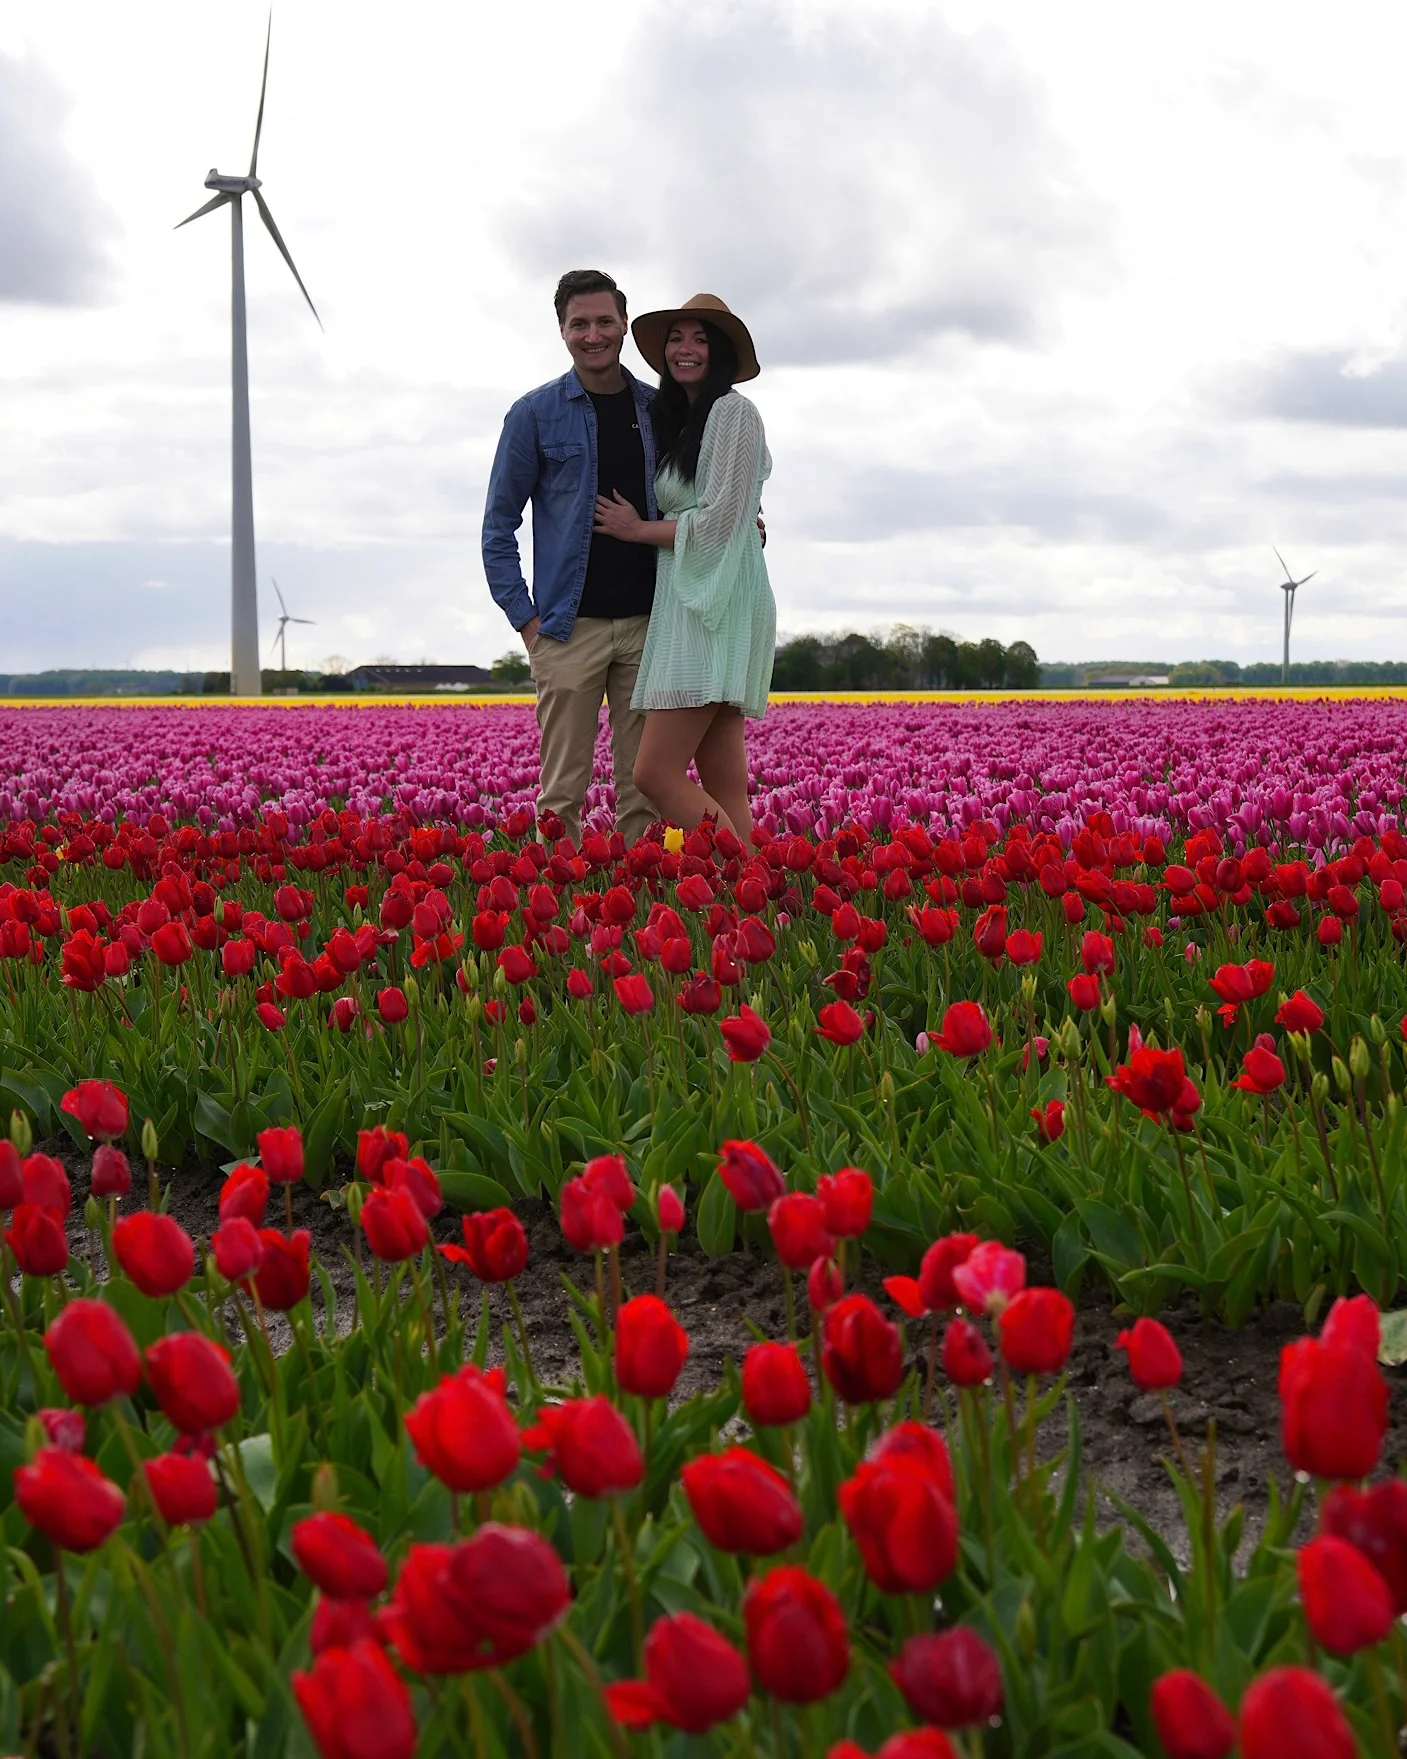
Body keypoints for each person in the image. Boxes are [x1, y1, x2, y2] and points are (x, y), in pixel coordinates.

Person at [481, 269, 659, 847]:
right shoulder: (533, 415)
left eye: (605, 321)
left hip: (651, 624)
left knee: (646, 789)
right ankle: (562, 919)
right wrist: (528, 623)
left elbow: (700, 495)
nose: (593, 334)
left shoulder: (659, 410)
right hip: (566, 628)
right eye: (579, 323)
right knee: (562, 794)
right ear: (561, 330)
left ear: (624, 326)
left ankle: (646, 922)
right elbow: (497, 528)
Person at [591, 294, 774, 845]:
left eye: (699, 339)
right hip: (692, 596)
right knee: (724, 788)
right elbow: (728, 510)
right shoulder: (689, 419)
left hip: (711, 604)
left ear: (719, 353)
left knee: (654, 774)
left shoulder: (734, 411)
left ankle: (745, 877)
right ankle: (756, 905)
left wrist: (637, 529)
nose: (685, 349)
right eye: (676, 338)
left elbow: (719, 522)